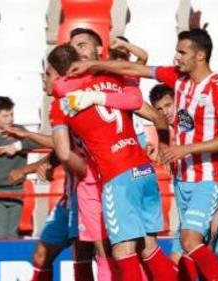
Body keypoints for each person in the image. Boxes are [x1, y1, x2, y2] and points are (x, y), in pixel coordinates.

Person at [68, 28, 218, 281]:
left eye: (182, 52)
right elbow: (135, 70)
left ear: (200, 56)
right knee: (177, 249)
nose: (176, 57)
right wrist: (93, 63)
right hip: (184, 177)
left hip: (209, 177)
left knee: (189, 241)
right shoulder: (178, 79)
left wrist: (183, 149)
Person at [49, 44, 177, 280]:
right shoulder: (112, 78)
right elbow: (143, 104)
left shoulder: (62, 102)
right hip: (144, 171)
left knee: (122, 251)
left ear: (57, 72)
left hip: (117, 176)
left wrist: (86, 171)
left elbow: (64, 153)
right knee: (149, 247)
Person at [0, 96, 43, 240]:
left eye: (11, 114)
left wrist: (18, 146)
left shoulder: (19, 131)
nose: (9, 119)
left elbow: (38, 142)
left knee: (12, 235)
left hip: (17, 190)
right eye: (5, 116)